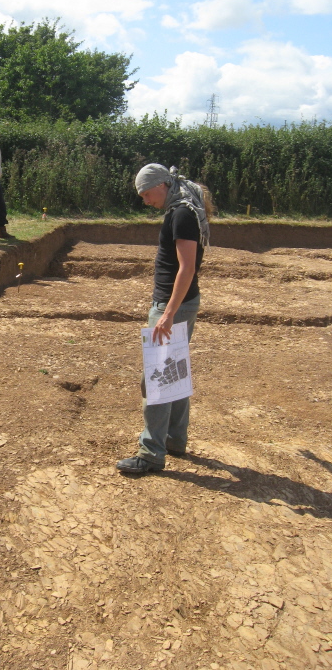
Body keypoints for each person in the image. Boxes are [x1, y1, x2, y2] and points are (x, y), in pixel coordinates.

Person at [116, 163, 211, 475]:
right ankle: (173, 438)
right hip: (180, 304)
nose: (144, 200)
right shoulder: (182, 208)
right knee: (175, 372)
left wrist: (167, 314)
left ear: (163, 185)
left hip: (175, 306)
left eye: (146, 193)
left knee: (157, 378)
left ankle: (151, 452)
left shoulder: (182, 213)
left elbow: (186, 268)